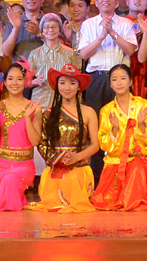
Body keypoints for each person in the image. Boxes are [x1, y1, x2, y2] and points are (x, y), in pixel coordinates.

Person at [92, 64, 147, 210]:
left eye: (123, 78)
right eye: (114, 79)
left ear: (130, 82)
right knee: (104, 201)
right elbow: (104, 144)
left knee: (136, 168)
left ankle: (132, 202)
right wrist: (115, 129)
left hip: (139, 157)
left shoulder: (143, 105)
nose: (119, 83)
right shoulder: (106, 110)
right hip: (115, 159)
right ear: (110, 84)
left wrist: (141, 125)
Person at [37, 64, 100, 213]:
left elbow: (95, 145)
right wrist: (57, 159)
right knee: (52, 200)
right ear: (57, 85)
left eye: (72, 83)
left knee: (73, 181)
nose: (67, 87)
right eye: (62, 82)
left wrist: (76, 157)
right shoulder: (49, 113)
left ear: (78, 87)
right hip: (55, 167)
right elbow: (42, 143)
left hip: (79, 167)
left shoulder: (88, 112)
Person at [0, 62, 41, 211]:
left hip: (24, 166)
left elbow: (35, 141)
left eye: (19, 79)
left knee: (12, 178)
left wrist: (27, 118)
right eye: (10, 79)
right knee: (7, 188)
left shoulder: (34, 108)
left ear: (26, 81)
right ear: (4, 82)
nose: (14, 83)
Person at [78, 0, 138, 113]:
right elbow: (83, 54)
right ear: (96, 3)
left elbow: (130, 50)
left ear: (117, 2)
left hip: (120, 78)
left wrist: (111, 32)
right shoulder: (88, 24)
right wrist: (101, 37)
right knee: (95, 117)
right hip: (96, 78)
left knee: (121, 116)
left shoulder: (126, 23)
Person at [29, 14, 82, 108]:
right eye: (47, 27)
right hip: (40, 101)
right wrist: (34, 82)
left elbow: (78, 79)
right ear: (42, 31)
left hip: (64, 101)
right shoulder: (34, 53)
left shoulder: (70, 53)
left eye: (54, 27)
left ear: (60, 30)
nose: (50, 30)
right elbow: (26, 81)